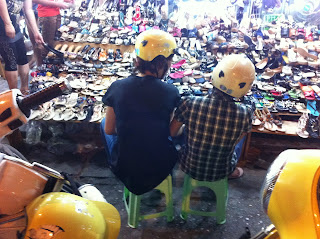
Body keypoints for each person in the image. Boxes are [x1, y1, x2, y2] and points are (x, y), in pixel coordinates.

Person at [100, 29, 181, 195]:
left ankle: (114, 161)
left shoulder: (118, 87)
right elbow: (171, 132)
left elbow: (109, 130)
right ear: (162, 62)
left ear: (137, 59)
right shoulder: (171, 92)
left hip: (124, 167)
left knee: (104, 124)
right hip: (160, 166)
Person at [170, 54, 255, 181]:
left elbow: (172, 132)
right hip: (221, 171)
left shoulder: (189, 103)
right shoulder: (245, 113)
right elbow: (234, 141)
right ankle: (232, 171)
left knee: (186, 130)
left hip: (188, 166)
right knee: (240, 135)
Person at [0, 0, 44, 94]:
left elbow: (28, 9)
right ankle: (15, 95)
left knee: (23, 58)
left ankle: (25, 90)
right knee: (11, 61)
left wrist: (36, 32)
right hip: (2, 25)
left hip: (15, 25)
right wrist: (7, 23)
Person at [33, 0, 72, 65]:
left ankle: (48, 65)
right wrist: (58, 4)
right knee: (47, 44)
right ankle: (43, 67)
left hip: (55, 12)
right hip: (47, 14)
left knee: (52, 43)